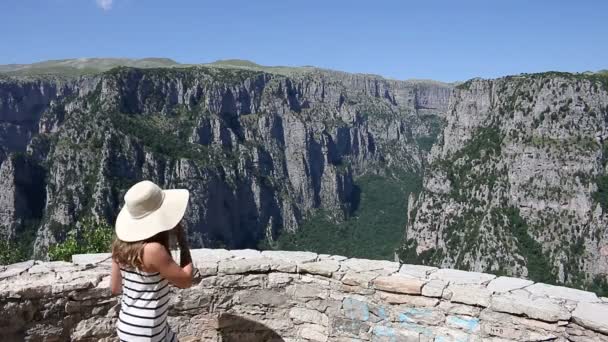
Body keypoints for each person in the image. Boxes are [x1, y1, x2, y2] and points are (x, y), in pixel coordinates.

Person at [110, 180, 194, 342]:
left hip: (127, 327)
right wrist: (182, 241)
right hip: (148, 332)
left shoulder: (118, 246)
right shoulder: (154, 250)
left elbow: (114, 288)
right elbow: (186, 280)